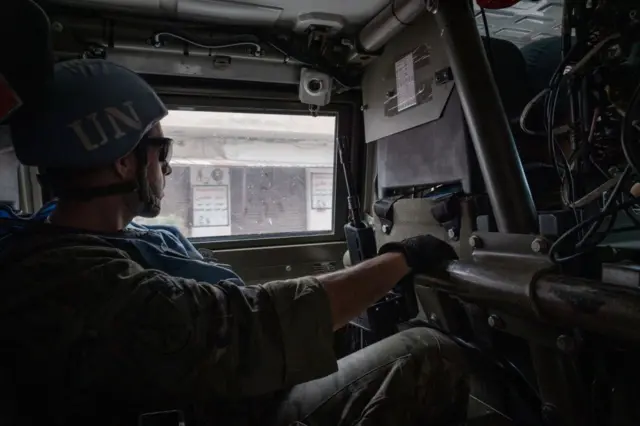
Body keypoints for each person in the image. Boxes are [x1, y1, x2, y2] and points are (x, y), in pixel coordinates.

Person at [0, 58, 469, 426]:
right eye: (161, 151)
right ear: (124, 162)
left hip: (224, 397)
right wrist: (401, 257)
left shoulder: (102, 243)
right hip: (234, 413)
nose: (166, 168)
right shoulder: (76, 280)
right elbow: (247, 326)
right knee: (429, 351)